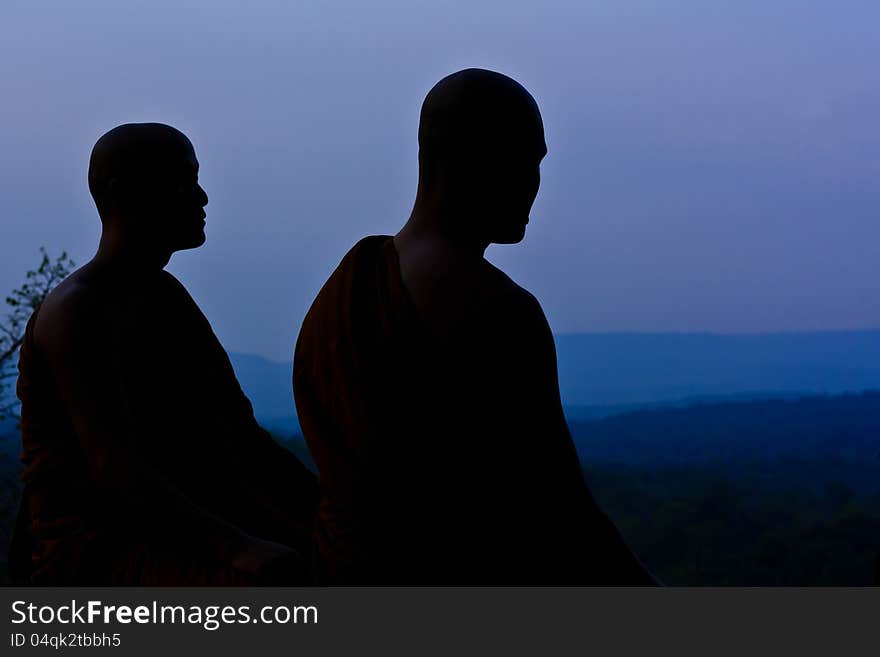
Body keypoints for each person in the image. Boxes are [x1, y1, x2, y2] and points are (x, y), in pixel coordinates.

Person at [293, 69, 656, 584]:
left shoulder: (343, 291)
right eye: (522, 160)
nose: (534, 184)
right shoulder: (498, 310)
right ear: (459, 160)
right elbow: (563, 511)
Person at [13, 123, 318, 585]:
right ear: (124, 192)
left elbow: (239, 438)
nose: (202, 197)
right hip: (100, 553)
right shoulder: (74, 312)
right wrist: (240, 549)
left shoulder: (166, 298)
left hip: (183, 527)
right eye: (184, 179)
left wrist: (328, 508)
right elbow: (115, 472)